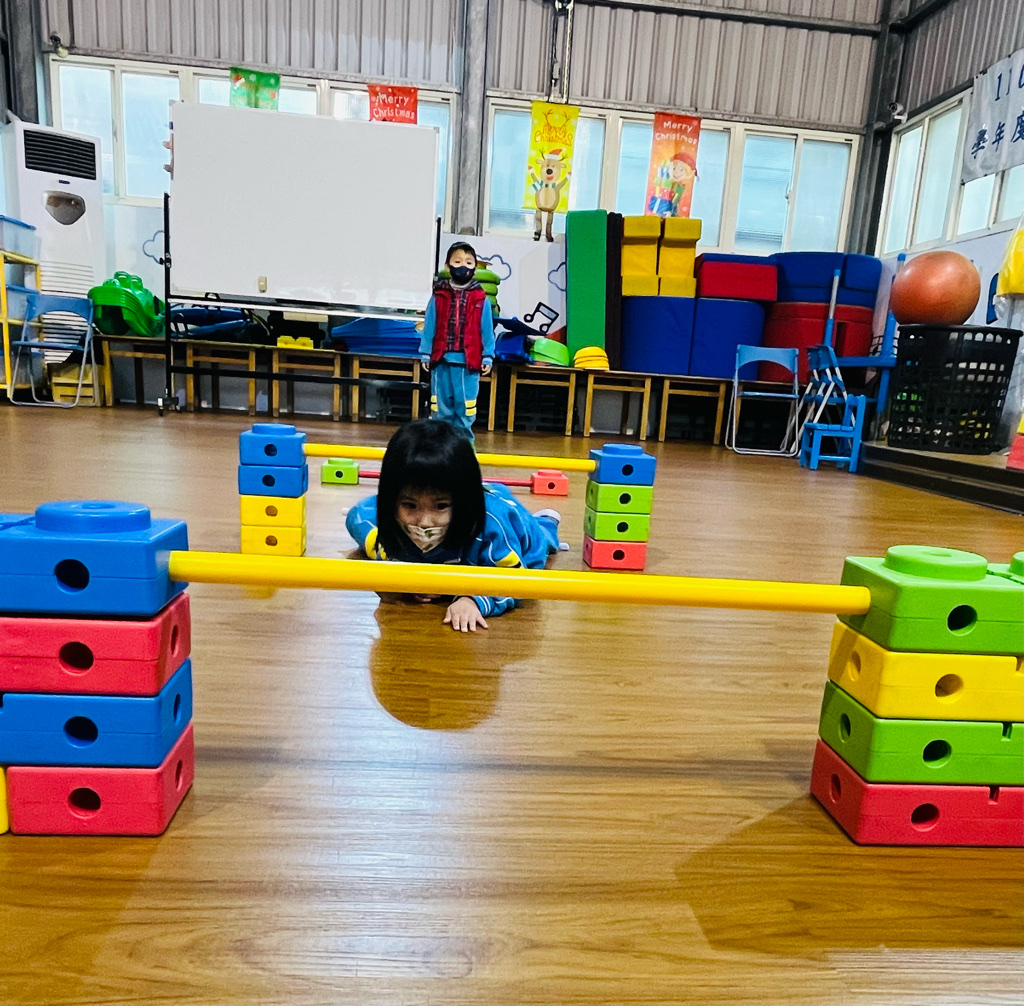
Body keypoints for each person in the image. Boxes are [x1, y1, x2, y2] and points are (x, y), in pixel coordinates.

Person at [345, 420, 564, 632]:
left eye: (440, 506)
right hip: (476, 494)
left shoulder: (492, 530)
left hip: (515, 522)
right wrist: (406, 580)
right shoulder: (388, 516)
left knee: (541, 537)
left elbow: (514, 581)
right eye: (410, 505)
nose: (424, 522)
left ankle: (546, 521)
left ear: (463, 503)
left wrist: (473, 599)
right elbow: (357, 516)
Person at [420, 242, 495, 442]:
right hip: (441, 361)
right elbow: (430, 325)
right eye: (457, 261)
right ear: (448, 266)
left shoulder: (481, 299)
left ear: (475, 267)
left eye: (469, 263)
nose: (463, 266)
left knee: (465, 408)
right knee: (440, 409)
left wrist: (488, 355)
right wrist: (425, 352)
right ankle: (440, 448)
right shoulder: (438, 296)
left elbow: (487, 330)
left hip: (468, 364)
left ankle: (464, 449)